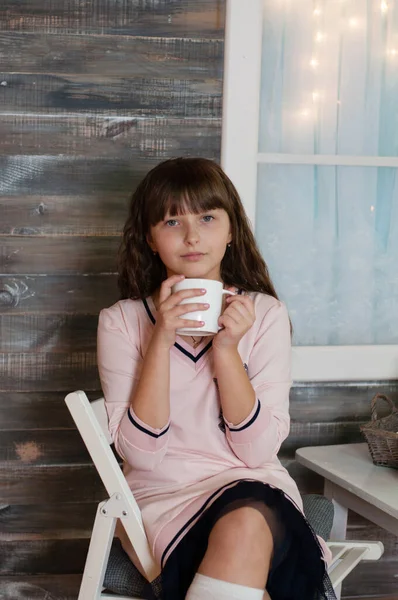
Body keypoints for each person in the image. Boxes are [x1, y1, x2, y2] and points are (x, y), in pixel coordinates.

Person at [97, 157, 336, 600]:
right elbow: (142, 456)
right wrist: (161, 340)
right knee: (250, 536)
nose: (192, 236)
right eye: (172, 221)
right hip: (165, 498)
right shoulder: (123, 323)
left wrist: (227, 350)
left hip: (255, 487)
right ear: (150, 237)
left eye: (207, 217)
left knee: (248, 517)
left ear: (230, 231)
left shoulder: (264, 315)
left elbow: (256, 452)